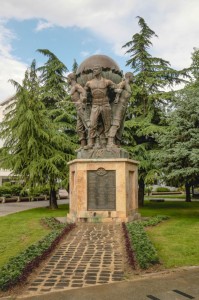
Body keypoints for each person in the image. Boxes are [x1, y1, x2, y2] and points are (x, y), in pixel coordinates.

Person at [84, 65, 118, 149]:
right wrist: (83, 98)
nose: (94, 71)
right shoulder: (89, 83)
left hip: (105, 104)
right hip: (95, 105)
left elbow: (116, 87)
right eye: (93, 69)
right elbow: (84, 92)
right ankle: (90, 143)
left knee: (107, 124)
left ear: (100, 70)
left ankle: (109, 142)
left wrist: (118, 90)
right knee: (92, 124)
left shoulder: (107, 82)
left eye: (95, 69)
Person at [107, 72, 134, 147]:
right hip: (118, 106)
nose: (133, 78)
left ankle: (116, 142)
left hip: (123, 107)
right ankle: (110, 142)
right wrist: (117, 91)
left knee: (120, 125)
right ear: (129, 76)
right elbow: (115, 87)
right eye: (132, 76)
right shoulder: (123, 83)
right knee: (116, 123)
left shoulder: (128, 85)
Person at [67, 73, 89, 150]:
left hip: (80, 107)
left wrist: (83, 99)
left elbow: (84, 92)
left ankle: (91, 144)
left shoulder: (77, 86)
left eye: (68, 78)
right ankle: (82, 145)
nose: (67, 80)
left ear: (71, 79)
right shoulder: (73, 87)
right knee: (79, 128)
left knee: (87, 124)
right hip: (77, 107)